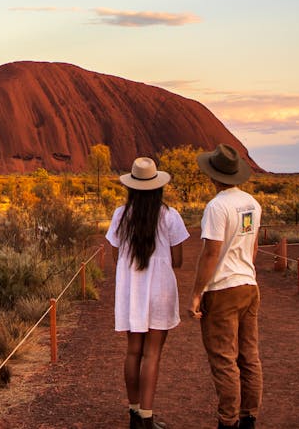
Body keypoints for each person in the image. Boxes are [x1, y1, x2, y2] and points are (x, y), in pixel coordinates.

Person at [105, 157, 189, 429]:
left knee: (133, 352)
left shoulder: (120, 214)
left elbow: (116, 255)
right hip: (160, 290)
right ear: (157, 187)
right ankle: (147, 417)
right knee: (152, 354)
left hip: (132, 290)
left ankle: (133, 413)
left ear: (131, 187)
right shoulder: (169, 215)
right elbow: (178, 260)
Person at [189, 143, 263, 429]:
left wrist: (197, 294)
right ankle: (249, 418)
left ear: (213, 176)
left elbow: (211, 253)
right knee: (249, 356)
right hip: (249, 284)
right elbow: (253, 247)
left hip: (222, 290)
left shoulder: (217, 207)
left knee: (223, 359)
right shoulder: (252, 204)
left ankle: (227, 421)